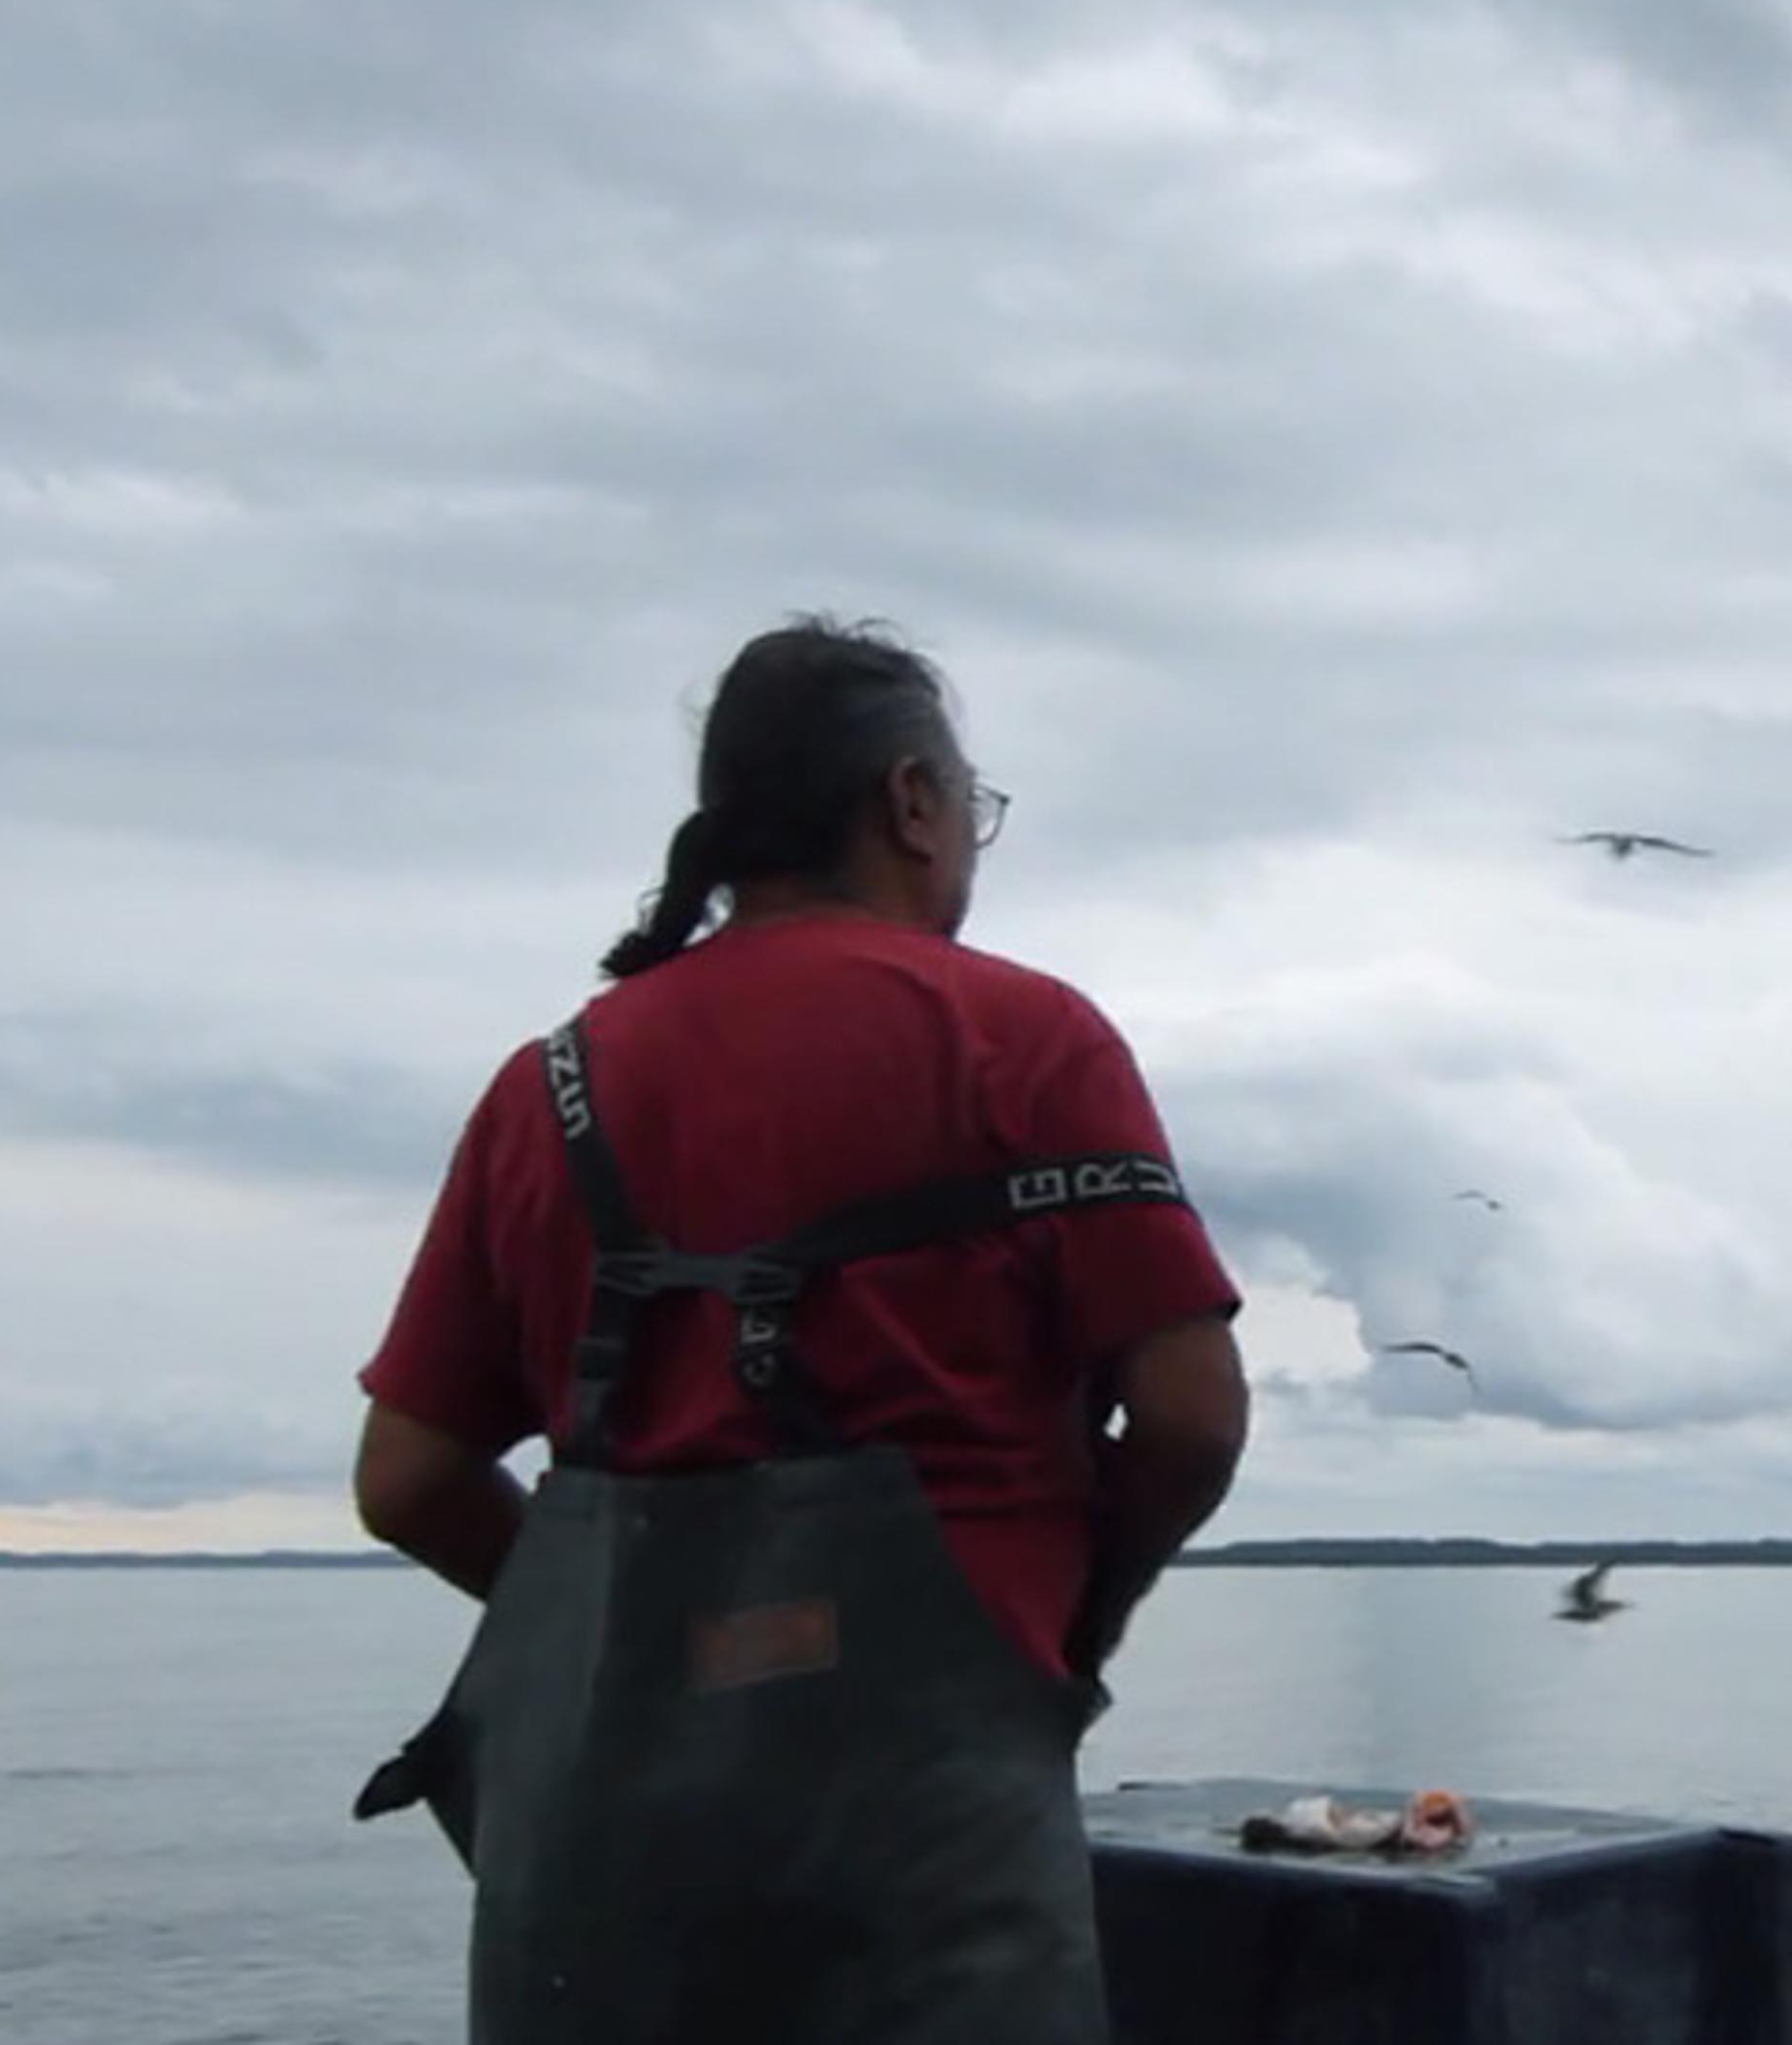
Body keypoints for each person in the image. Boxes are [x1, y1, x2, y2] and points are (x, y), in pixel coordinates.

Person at [347, 616, 1251, 2044]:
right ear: (909, 799)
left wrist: (641, 1649)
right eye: (972, 807)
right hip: (930, 1862)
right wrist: (1080, 1621)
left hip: (602, 1874)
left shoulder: (548, 1087)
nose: (968, 840)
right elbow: (1194, 1417)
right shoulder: (1026, 1038)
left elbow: (405, 1477)